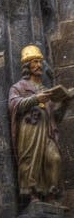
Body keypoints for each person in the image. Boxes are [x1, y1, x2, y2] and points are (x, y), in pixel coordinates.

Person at [9, 45, 73, 200]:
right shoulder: (19, 87)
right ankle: (33, 196)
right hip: (30, 129)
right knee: (30, 161)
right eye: (35, 62)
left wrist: (65, 103)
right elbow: (13, 105)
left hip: (47, 130)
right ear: (27, 66)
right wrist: (35, 99)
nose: (38, 65)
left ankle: (51, 194)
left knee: (55, 158)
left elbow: (55, 117)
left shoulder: (46, 89)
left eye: (40, 62)